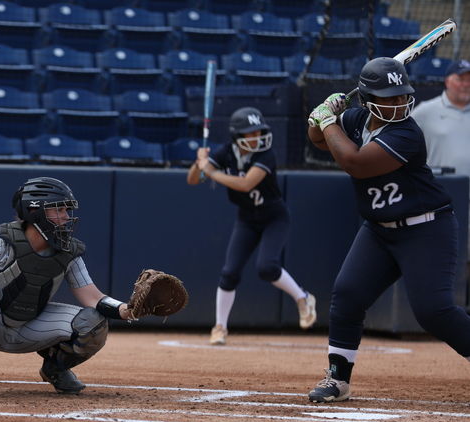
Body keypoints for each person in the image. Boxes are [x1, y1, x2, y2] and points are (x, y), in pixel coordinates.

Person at [306, 57, 470, 403]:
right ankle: (338, 379)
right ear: (367, 100)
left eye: (401, 95)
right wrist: (321, 115)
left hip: (426, 227)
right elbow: (319, 141)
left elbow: (355, 164)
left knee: (433, 311)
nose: (398, 103)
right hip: (379, 230)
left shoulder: (407, 132)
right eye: (388, 97)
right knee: (348, 294)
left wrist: (327, 121)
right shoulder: (357, 119)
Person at [0, 177, 134, 398]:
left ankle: (55, 369)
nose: (67, 216)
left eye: (67, 210)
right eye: (58, 209)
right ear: (34, 211)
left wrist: (127, 309)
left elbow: (93, 297)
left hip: (30, 325)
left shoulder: (68, 250)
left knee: (94, 322)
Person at [187, 107, 317, 346]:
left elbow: (246, 184)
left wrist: (211, 172)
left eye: (259, 131)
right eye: (250, 133)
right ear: (238, 136)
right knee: (229, 272)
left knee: (267, 267)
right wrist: (200, 163)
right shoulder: (226, 151)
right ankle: (219, 327)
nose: (257, 137)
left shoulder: (266, 154)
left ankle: (303, 298)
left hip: (273, 217)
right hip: (247, 219)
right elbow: (193, 180)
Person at [410, 59, 470, 179]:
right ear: (447, 82)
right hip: (439, 189)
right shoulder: (425, 111)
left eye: (469, 80)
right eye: (460, 79)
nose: (466, 84)